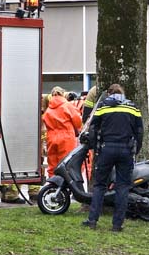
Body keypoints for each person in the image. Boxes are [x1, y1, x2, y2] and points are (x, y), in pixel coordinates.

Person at [82, 84, 143, 232]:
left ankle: (92, 220)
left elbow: (93, 128)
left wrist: (95, 148)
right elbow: (139, 131)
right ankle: (117, 224)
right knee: (122, 187)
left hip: (106, 149)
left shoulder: (103, 107)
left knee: (100, 185)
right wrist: (136, 149)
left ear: (109, 94)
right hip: (126, 150)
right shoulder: (132, 108)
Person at [43, 86, 82, 177]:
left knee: (52, 164)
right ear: (63, 94)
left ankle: (53, 185)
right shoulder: (67, 106)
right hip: (66, 138)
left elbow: (45, 119)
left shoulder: (49, 108)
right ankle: (65, 186)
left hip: (51, 138)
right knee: (66, 164)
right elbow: (78, 122)